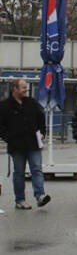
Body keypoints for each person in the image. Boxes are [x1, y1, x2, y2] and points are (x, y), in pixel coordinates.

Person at [0, 78, 51, 209]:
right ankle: (20, 200)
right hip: (16, 146)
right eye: (23, 87)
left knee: (37, 169)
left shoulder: (31, 103)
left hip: (33, 143)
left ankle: (40, 196)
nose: (26, 89)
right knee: (19, 173)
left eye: (26, 87)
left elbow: (41, 118)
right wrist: (8, 138)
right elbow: (1, 126)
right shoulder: (4, 106)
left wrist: (42, 132)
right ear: (14, 89)